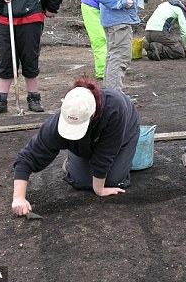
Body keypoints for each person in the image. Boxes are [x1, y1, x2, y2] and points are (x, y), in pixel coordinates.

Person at [11, 76, 140, 216]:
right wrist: (18, 198)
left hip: (124, 133)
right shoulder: (61, 118)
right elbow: (28, 157)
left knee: (113, 180)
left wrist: (100, 190)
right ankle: (76, 156)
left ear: (92, 115)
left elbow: (105, 154)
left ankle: (124, 156)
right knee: (82, 182)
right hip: (89, 140)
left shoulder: (115, 109)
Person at [92, 0, 143, 92]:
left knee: (114, 57)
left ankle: (109, 96)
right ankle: (114, 98)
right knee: (119, 58)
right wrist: (122, 2)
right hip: (118, 20)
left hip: (116, 19)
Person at [80, 0, 152, 80]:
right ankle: (102, 72)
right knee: (100, 39)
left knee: (111, 39)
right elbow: (105, 1)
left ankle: (110, 69)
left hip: (102, 7)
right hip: (92, 7)